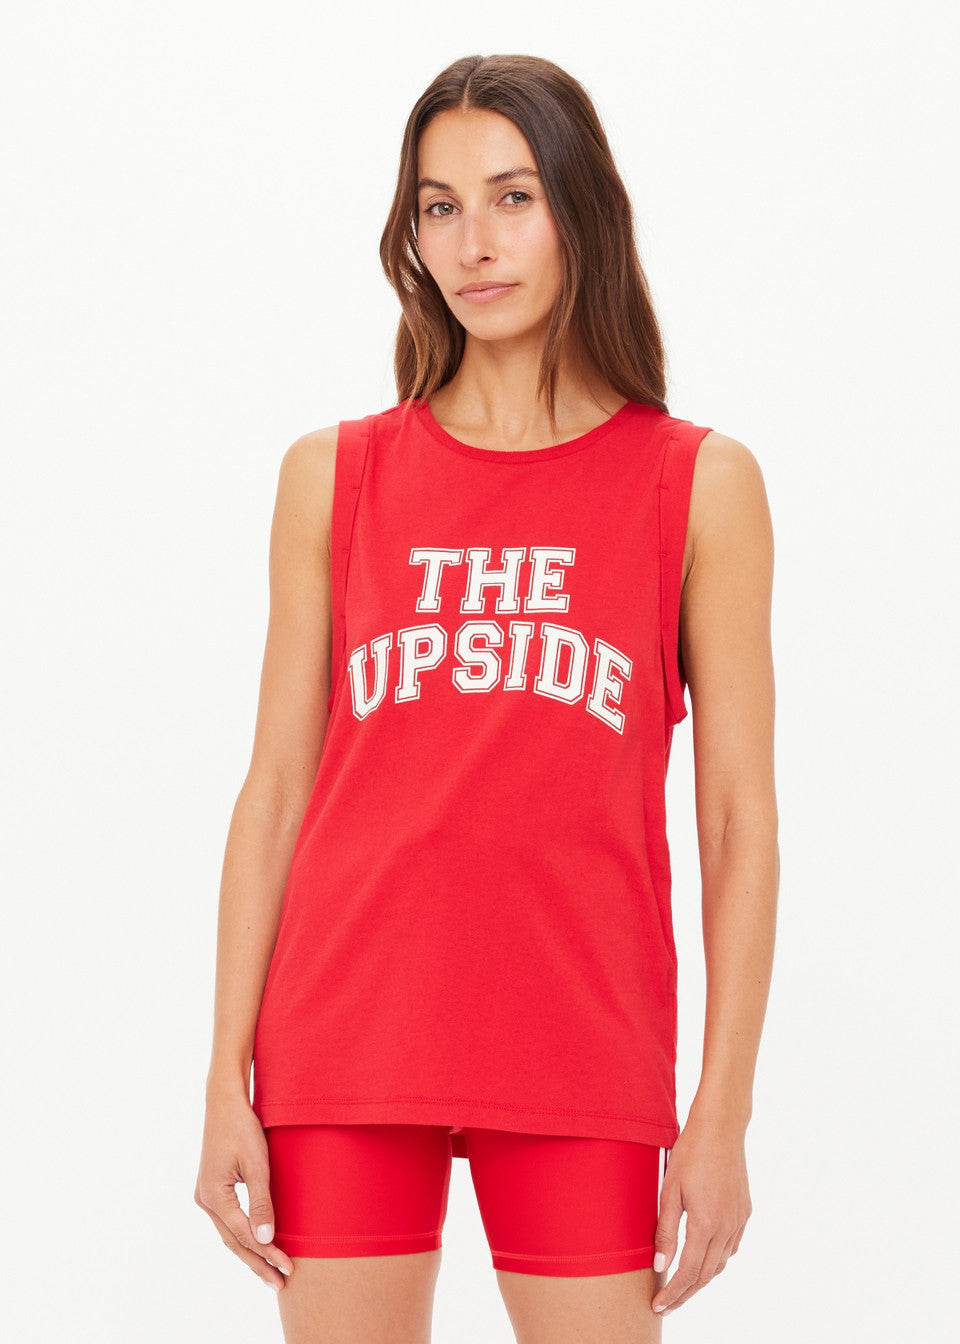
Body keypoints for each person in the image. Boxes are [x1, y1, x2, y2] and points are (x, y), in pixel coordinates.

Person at [194, 51, 778, 1344]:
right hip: (346, 1035)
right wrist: (225, 1073)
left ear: (582, 209)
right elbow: (276, 789)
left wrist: (723, 1110)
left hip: (582, 1041)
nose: (475, 241)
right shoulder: (332, 476)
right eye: (440, 206)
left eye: (514, 197)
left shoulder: (698, 486)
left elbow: (738, 819)